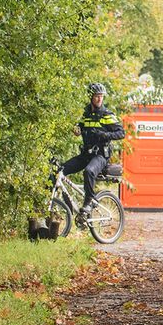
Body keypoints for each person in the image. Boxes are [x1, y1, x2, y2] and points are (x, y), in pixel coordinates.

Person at [63, 83, 125, 221]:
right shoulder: (85, 115)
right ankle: (66, 209)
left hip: (100, 156)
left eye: (101, 96)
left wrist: (105, 135)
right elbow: (80, 126)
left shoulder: (106, 115)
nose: (99, 99)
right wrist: (77, 129)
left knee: (89, 171)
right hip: (86, 154)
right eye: (97, 96)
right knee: (60, 171)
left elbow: (121, 133)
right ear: (90, 97)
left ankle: (89, 201)